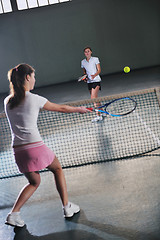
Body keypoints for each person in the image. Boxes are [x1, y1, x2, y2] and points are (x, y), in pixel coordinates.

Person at [4, 63, 89, 227]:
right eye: (33, 76)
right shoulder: (35, 99)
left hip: (18, 151)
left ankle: (13, 214)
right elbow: (61, 108)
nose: (34, 79)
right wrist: (80, 109)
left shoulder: (7, 101)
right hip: (35, 147)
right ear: (28, 77)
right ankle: (67, 207)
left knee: (34, 182)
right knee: (57, 168)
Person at [81, 47, 103, 122]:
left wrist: (94, 75)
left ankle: (98, 115)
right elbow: (84, 72)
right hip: (89, 82)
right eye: (85, 52)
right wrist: (85, 77)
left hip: (96, 80)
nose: (87, 53)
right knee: (95, 98)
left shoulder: (95, 59)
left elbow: (99, 70)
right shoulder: (83, 62)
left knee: (93, 98)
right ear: (84, 53)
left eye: (88, 51)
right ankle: (102, 112)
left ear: (91, 52)